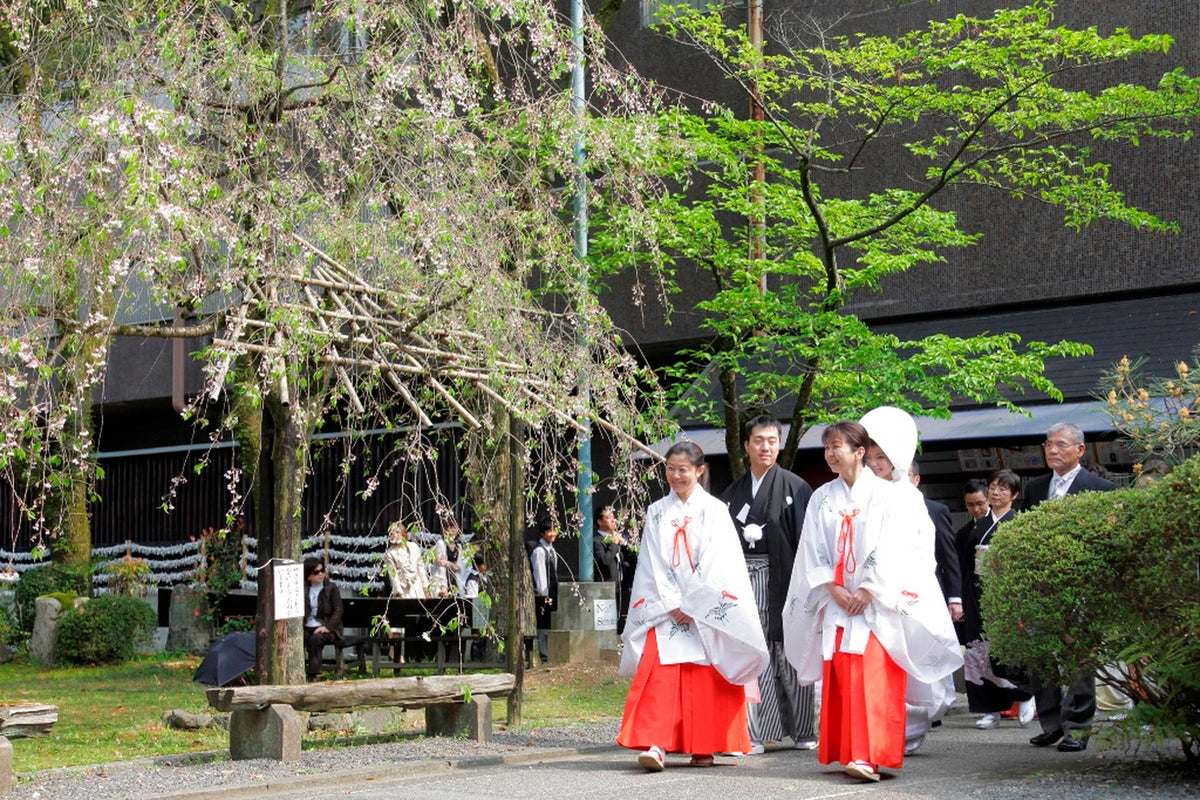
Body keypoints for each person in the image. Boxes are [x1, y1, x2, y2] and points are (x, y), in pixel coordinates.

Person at [783, 419, 961, 783]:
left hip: (875, 603)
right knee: (844, 676)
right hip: (837, 600)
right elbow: (812, 550)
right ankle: (850, 752)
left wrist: (868, 587)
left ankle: (872, 755)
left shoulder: (886, 496)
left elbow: (893, 547)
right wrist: (831, 586)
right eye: (827, 447)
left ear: (859, 452)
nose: (831, 454)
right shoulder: (821, 498)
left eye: (838, 447)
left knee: (874, 677)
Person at [617, 441, 769, 772]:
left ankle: (705, 745)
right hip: (666, 606)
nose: (676, 475)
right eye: (670, 469)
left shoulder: (715, 510)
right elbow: (652, 562)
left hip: (704, 608)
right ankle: (657, 744)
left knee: (706, 680)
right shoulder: (657, 511)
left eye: (683, 469)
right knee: (661, 676)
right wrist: (673, 602)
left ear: (699, 470)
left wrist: (695, 603)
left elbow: (720, 562)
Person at [859, 406, 957, 757]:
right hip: (869, 593)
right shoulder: (860, 494)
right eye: (869, 456)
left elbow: (921, 548)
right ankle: (877, 730)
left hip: (903, 589)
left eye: (882, 456)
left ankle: (911, 731)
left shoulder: (909, 497)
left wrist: (900, 582)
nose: (875, 463)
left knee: (912, 659)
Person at [719, 414, 816, 752]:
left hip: (787, 581)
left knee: (792, 650)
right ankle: (757, 731)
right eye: (758, 440)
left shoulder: (796, 487)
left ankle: (804, 730)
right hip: (745, 582)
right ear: (746, 446)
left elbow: (807, 542)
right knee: (753, 652)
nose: (765, 447)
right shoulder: (732, 493)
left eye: (772, 440)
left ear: (780, 444)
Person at [1021, 422, 1116, 753]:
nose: (1052, 450)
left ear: (1079, 450)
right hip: (1040, 586)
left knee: (1078, 658)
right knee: (1039, 656)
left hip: (1080, 585)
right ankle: (1050, 722)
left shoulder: (1100, 488)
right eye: (1048, 444)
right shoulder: (1034, 488)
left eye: (1060, 444)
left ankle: (1078, 725)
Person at [956, 469, 1035, 730]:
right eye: (992, 487)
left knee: (1009, 650)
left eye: (1002, 488)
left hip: (1006, 594)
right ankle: (989, 708)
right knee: (977, 650)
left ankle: (1025, 695)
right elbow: (965, 565)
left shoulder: (1020, 523)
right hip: (976, 591)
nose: (995, 492)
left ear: (1014, 495)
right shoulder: (976, 525)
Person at [303, 557, 344, 680]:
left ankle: (313, 675)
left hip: (327, 627)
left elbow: (338, 610)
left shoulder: (330, 588)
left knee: (315, 639)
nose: (320, 574)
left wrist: (327, 627)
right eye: (316, 572)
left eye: (322, 570)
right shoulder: (303, 588)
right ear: (308, 575)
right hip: (307, 626)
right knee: (302, 637)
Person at [530, 518, 559, 662]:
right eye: (549, 531)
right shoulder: (539, 551)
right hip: (544, 594)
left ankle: (551, 653)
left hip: (554, 592)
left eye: (554, 530)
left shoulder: (552, 550)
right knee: (543, 625)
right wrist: (544, 593)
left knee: (551, 624)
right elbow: (539, 573)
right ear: (542, 533)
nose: (553, 534)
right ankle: (544, 655)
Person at [383, 521, 429, 599]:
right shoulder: (390, 553)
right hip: (403, 589)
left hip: (417, 587)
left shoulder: (414, 547)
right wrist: (399, 593)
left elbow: (420, 568)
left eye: (397, 532)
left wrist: (426, 588)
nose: (395, 535)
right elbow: (393, 575)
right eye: (392, 533)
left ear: (403, 533)